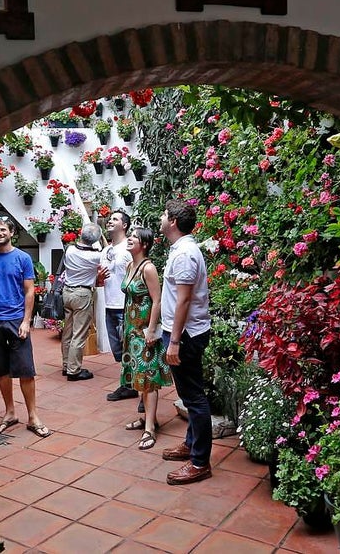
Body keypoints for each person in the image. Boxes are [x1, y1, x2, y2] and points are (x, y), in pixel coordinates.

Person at [0, 215, 51, 438]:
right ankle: (10, 412)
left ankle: (33, 416)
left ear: (12, 233)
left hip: (15, 321)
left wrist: (26, 321)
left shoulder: (22, 259)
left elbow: (29, 290)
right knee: (1, 370)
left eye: (3, 230)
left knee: (25, 370)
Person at [158, 198, 213, 485]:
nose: (161, 218)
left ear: (174, 222)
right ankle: (192, 444)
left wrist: (175, 341)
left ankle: (200, 461)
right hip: (183, 332)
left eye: (165, 215)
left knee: (193, 397)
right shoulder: (181, 250)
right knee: (190, 395)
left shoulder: (185, 255)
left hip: (186, 334)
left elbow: (184, 300)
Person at [119, 226, 172, 451]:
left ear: (145, 244)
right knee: (139, 377)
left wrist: (151, 330)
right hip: (132, 331)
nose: (130, 239)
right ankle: (148, 419)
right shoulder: (130, 265)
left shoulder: (148, 268)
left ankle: (149, 428)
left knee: (149, 380)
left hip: (144, 332)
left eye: (135, 237)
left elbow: (157, 300)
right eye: (130, 235)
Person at [60, 223, 105, 381]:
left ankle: (66, 365)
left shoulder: (70, 250)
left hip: (67, 292)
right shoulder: (95, 256)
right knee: (79, 334)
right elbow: (106, 254)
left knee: (68, 331)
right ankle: (74, 370)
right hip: (82, 294)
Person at [102, 210, 138, 402]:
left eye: (115, 219)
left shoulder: (128, 248)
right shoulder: (106, 250)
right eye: (110, 219)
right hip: (109, 304)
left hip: (124, 305)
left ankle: (132, 387)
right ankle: (129, 384)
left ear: (124, 225)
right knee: (118, 351)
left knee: (128, 349)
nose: (110, 221)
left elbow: (137, 273)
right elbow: (101, 276)